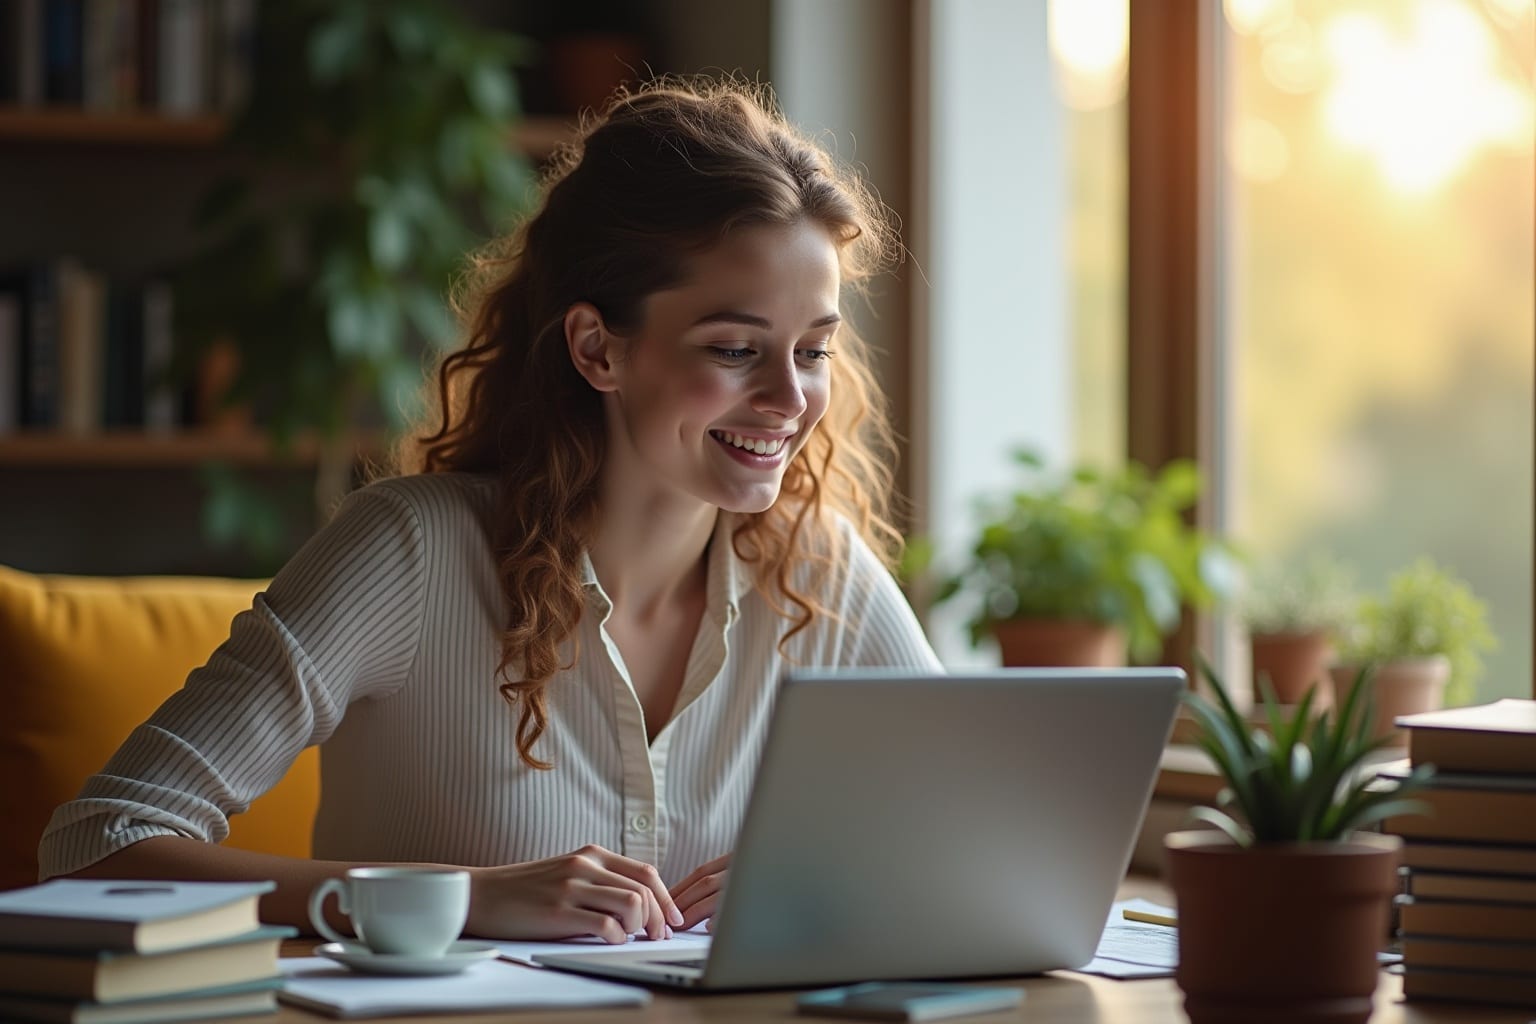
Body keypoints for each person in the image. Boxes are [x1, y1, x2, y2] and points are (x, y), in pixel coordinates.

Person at [38, 78, 941, 945]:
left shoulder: (821, 573)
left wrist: (820, 888)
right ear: (597, 348)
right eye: (736, 349)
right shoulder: (410, 553)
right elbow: (95, 846)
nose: (790, 399)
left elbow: (975, 844)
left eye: (813, 352)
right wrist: (459, 899)